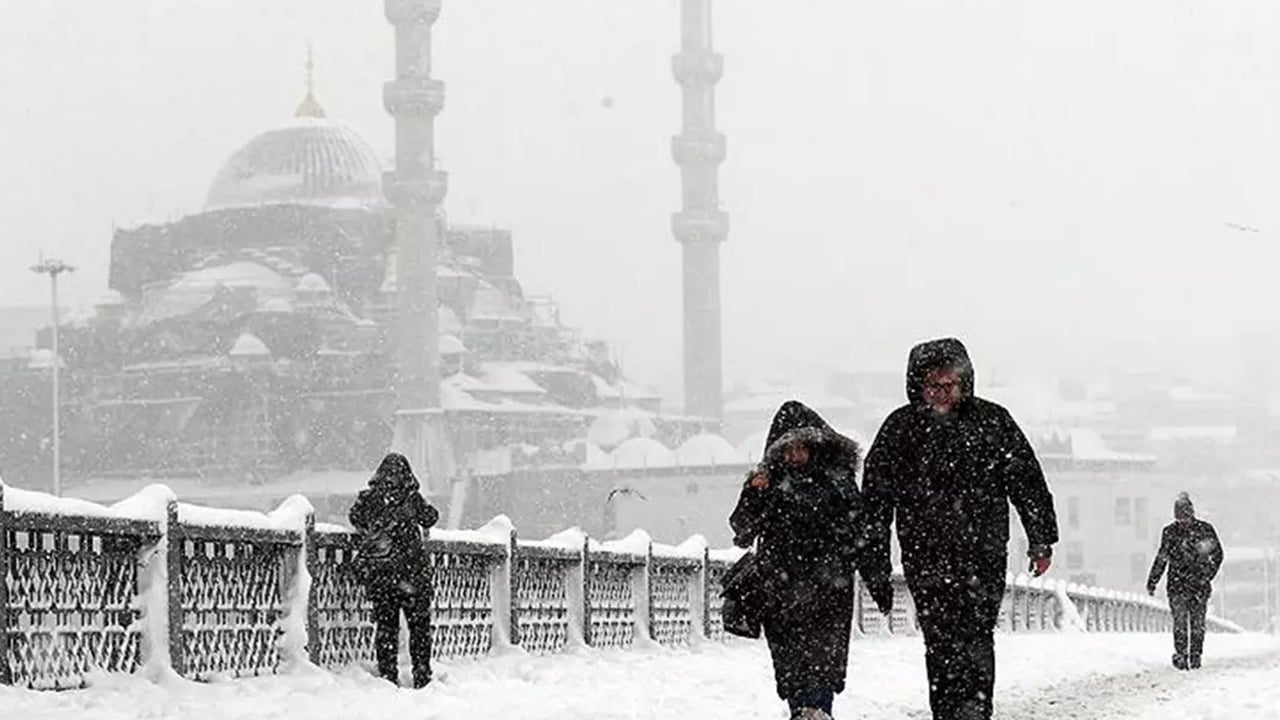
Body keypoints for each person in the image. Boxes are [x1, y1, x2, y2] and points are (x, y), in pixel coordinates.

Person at [858, 338, 1059, 720]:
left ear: (964, 382)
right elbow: (874, 503)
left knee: (977, 636)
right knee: (940, 640)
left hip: (982, 554)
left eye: (949, 384)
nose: (942, 394)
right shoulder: (900, 430)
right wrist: (875, 564)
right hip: (925, 555)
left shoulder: (992, 421)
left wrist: (1041, 539)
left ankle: (975, 711)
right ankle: (949, 711)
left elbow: (1027, 482)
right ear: (918, 386)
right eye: (933, 386)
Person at [729, 401, 863, 720]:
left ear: (816, 446)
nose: (795, 456)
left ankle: (817, 709)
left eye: (801, 447)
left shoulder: (837, 480)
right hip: (781, 587)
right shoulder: (769, 482)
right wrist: (754, 493)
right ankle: (803, 710)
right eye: (788, 450)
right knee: (790, 658)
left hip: (828, 585)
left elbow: (858, 526)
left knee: (823, 656)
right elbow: (742, 529)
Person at [349, 452, 440, 688]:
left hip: (382, 576)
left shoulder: (370, 498)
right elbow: (430, 518)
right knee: (419, 629)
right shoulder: (411, 498)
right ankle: (422, 674)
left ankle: (388, 675)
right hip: (412, 575)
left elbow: (355, 517)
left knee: (386, 629)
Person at [1146, 491, 1223, 670]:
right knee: (1182, 622)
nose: (1183, 521)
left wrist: (1206, 575)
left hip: (1192, 584)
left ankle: (1195, 655)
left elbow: (1217, 554)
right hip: (1182, 585)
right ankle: (1182, 654)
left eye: (1185, 517)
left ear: (1191, 513)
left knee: (1196, 622)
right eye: (1180, 518)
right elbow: (1162, 558)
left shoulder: (1202, 530)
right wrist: (1153, 580)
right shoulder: (1174, 532)